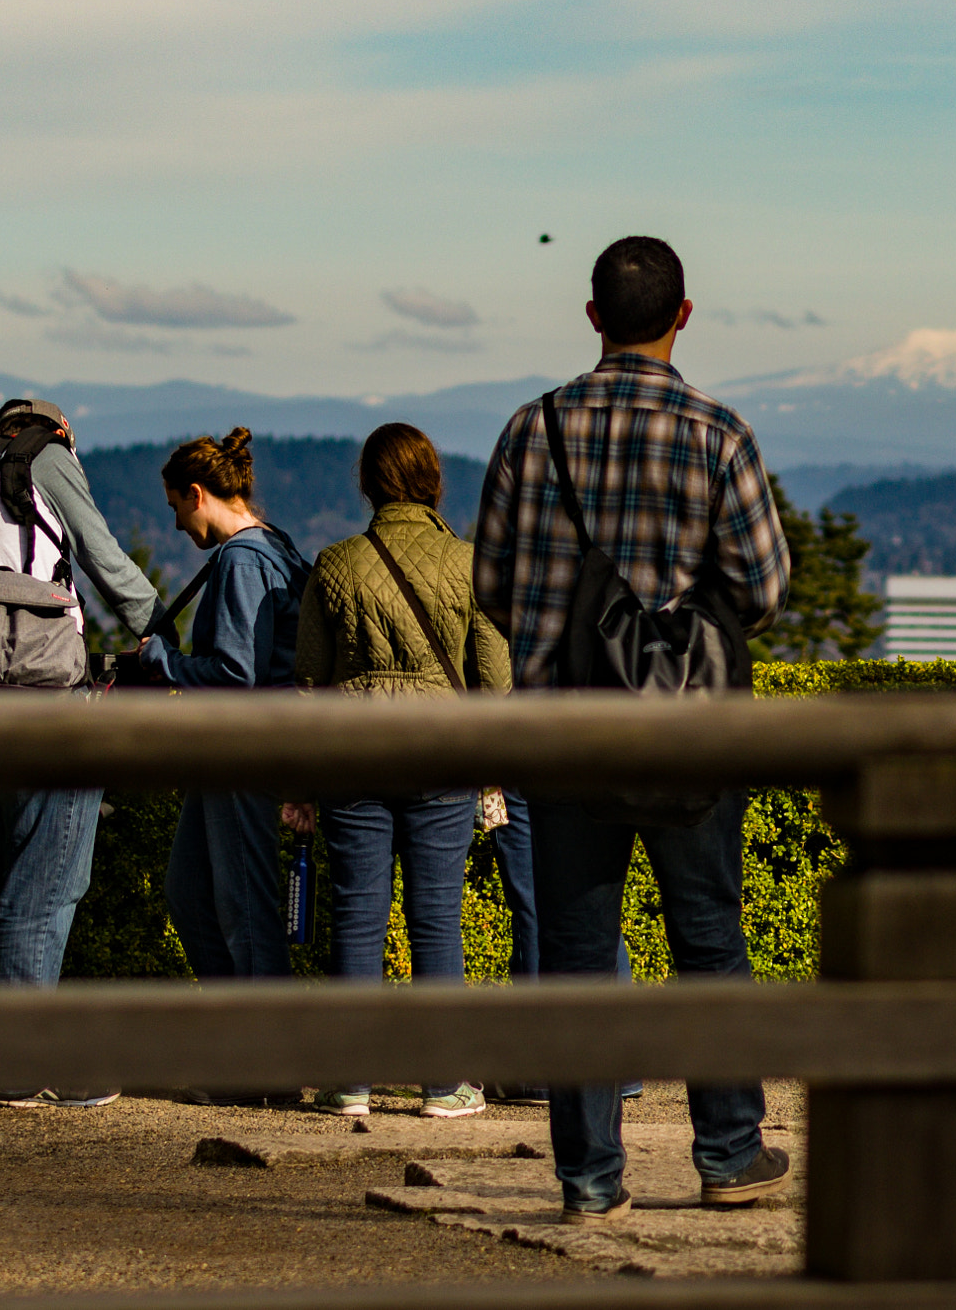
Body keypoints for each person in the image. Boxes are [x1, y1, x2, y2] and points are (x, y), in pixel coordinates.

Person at [474, 235, 791, 1225]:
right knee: (708, 939)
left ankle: (587, 1176)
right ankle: (727, 1152)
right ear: (683, 315)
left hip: (564, 727)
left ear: (591, 315)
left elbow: (490, 582)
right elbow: (767, 586)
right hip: (690, 730)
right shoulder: (717, 431)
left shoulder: (533, 430)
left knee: (575, 956)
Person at [0, 398, 160, 1109]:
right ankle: (22, 1066)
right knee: (45, 884)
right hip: (40, 700)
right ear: (59, 433)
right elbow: (106, 559)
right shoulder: (47, 459)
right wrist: (163, 633)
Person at [287, 423, 509, 1118]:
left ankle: (350, 1080)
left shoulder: (335, 563)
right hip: (439, 753)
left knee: (356, 912)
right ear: (433, 479)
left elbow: (309, 682)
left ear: (369, 483)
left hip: (353, 753)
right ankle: (443, 1083)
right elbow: (496, 678)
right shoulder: (467, 563)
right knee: (436, 917)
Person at [142, 428, 311, 990]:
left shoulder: (240, 562)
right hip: (250, 749)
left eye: (175, 508)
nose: (176, 525)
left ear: (196, 493)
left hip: (241, 749)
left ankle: (262, 1062)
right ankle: (235, 1037)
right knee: (188, 892)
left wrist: (164, 661)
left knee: (245, 903)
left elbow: (236, 676)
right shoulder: (276, 546)